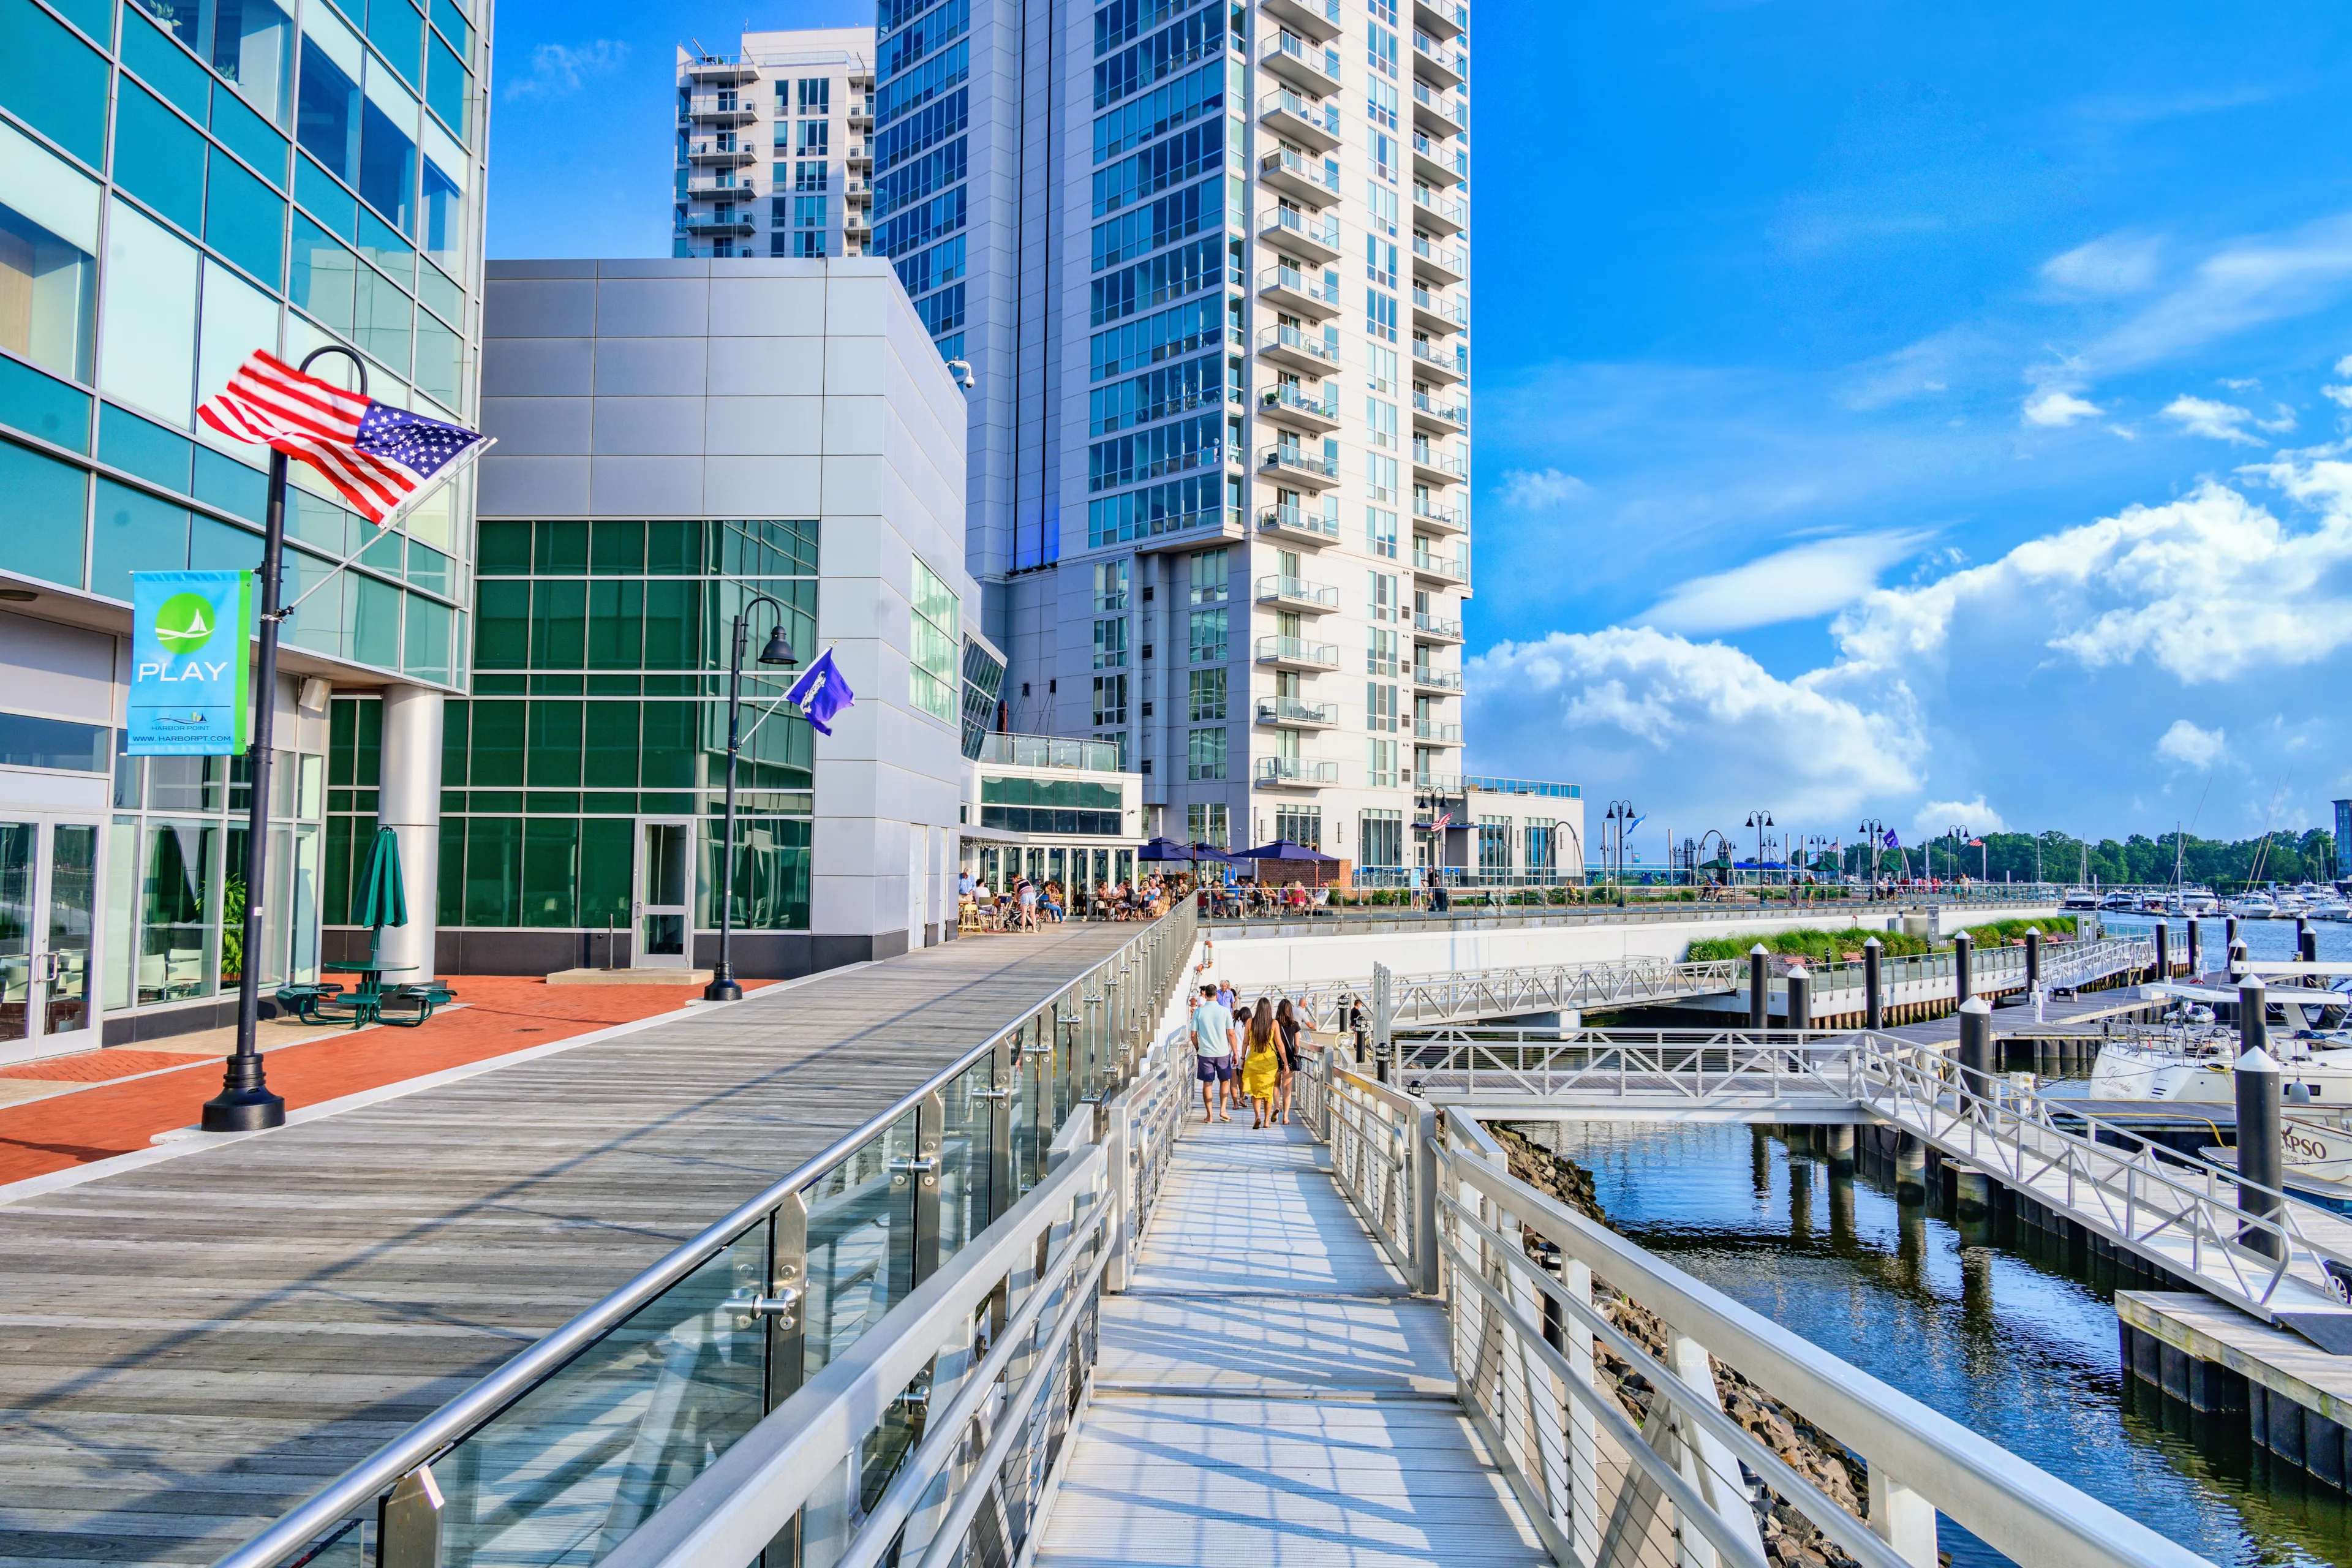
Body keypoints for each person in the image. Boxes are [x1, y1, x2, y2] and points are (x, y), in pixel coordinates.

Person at [1190, 983, 1237, 1121]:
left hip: (1205, 1053)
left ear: (1205, 995)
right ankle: (1223, 1110)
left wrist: (1198, 1048)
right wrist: (1235, 1052)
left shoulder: (1199, 1012)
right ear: (1217, 995)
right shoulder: (1225, 1011)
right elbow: (1231, 1034)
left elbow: (1193, 1035)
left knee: (1207, 1083)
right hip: (1223, 1052)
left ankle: (1209, 1116)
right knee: (1224, 1081)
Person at [1240, 997, 1283, 1129]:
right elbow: (1280, 1044)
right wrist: (1286, 1063)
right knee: (1268, 1093)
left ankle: (1257, 1116)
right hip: (1270, 1063)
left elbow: (1246, 1042)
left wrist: (1242, 1059)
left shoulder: (1250, 1022)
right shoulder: (1274, 1023)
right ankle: (1266, 1122)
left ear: (1257, 1009)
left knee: (1256, 1092)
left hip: (1254, 1061)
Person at [1273, 997, 1304, 1125]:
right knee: (1287, 1088)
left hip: (1275, 1057)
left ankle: (1276, 1106)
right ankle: (1285, 1117)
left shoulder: (1275, 1023)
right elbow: (1297, 1044)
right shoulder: (1295, 1024)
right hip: (1290, 1057)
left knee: (1275, 1084)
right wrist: (1296, 1053)